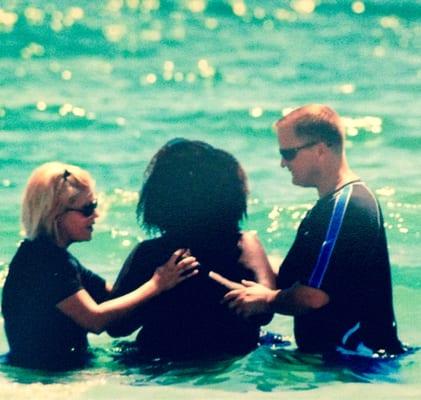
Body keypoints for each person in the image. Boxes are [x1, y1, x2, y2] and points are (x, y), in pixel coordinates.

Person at [223, 104, 407, 358]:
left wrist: (266, 300)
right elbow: (299, 280)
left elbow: (313, 297)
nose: (282, 163)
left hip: (357, 360)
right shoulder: (329, 207)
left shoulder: (347, 206)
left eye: (288, 153)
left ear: (320, 150)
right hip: (339, 361)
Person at [1, 162, 198, 370]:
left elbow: (114, 295)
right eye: (87, 209)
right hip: (44, 376)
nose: (96, 216)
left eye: (94, 205)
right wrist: (156, 284)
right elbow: (95, 320)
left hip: (48, 367)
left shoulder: (49, 256)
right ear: (56, 216)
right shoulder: (44, 263)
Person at [106, 138, 276, 359]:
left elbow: (116, 327)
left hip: (159, 362)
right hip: (233, 359)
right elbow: (265, 312)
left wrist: (156, 288)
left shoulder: (150, 254)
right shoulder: (246, 244)